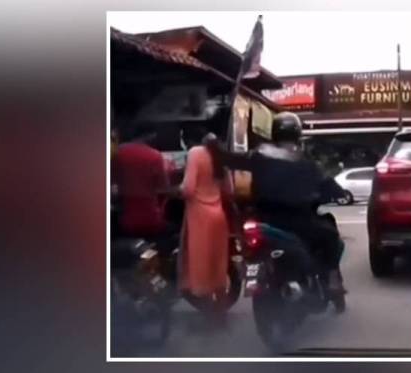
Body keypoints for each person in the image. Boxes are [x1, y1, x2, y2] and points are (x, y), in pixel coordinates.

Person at [219, 112, 346, 295]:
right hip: (298, 221)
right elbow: (326, 183)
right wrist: (338, 194)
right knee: (331, 236)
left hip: (264, 219)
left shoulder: (259, 155)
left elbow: (231, 159)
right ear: (297, 134)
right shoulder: (304, 160)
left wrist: (213, 147)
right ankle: (333, 280)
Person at [177, 127, 232, 301]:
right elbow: (229, 190)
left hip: (200, 217)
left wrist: (177, 189)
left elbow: (188, 189)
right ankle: (220, 310)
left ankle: (209, 311)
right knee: (218, 263)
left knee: (201, 264)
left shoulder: (195, 153)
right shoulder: (220, 154)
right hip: (218, 215)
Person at [113, 130, 170, 238]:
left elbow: (112, 181)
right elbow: (164, 188)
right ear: (150, 135)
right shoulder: (155, 156)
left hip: (125, 219)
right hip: (151, 218)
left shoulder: (118, 152)